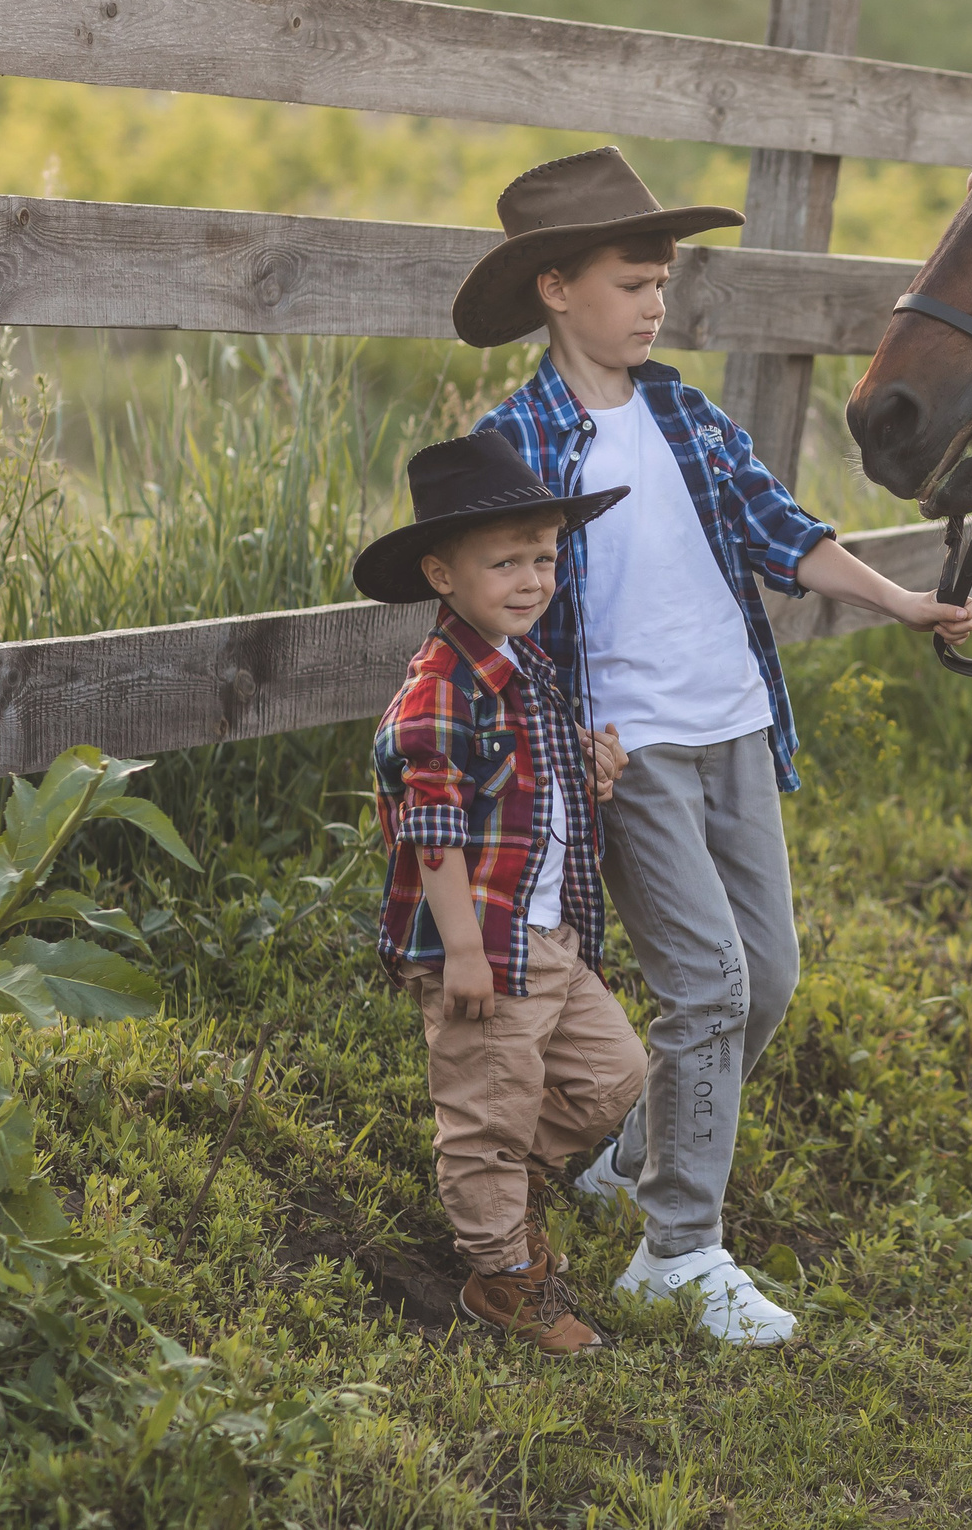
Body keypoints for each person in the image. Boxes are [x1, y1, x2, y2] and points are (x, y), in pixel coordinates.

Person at [454, 147, 972, 1347]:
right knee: (707, 984)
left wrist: (899, 600)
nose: (655, 305)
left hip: (734, 723)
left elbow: (782, 530)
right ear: (554, 289)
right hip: (629, 752)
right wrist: (556, 740)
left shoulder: (684, 412)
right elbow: (494, 620)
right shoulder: (518, 443)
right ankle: (678, 1246)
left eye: (662, 284)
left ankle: (629, 1158)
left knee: (769, 977)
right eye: (632, 284)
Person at [356, 431, 648, 1356]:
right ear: (442, 575)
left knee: (617, 1079)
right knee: (488, 1111)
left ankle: (497, 1193)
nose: (532, 580)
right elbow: (433, 828)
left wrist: (589, 765)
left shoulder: (523, 665)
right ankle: (500, 1275)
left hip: (547, 936)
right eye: (505, 562)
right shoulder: (441, 687)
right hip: (483, 942)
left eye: (545, 558)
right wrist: (464, 952)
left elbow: (528, 789)